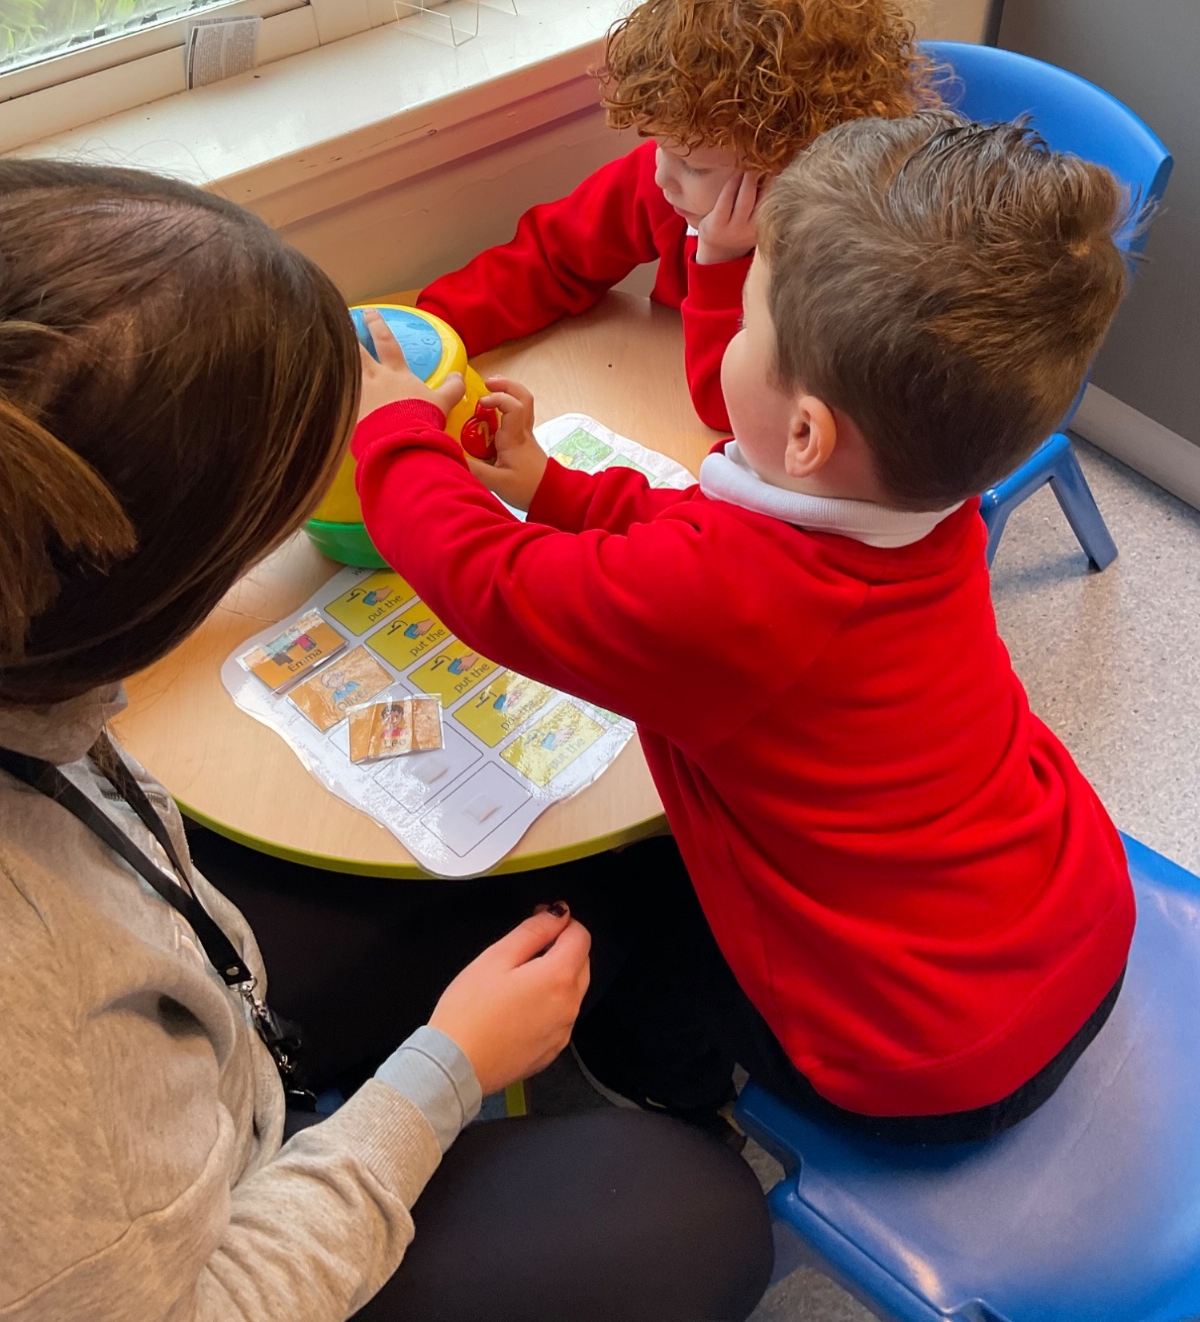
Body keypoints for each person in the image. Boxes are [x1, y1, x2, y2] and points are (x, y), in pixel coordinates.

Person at [0, 160, 774, 1322]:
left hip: (195, 1063)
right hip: (208, 1272)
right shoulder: (35, 997)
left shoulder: (38, 667)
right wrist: (442, 1071)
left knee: (571, 878)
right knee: (701, 1213)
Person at [353, 113, 1137, 1144]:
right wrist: (555, 488)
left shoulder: (729, 597)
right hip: (1077, 917)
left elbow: (489, 582)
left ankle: (672, 1085)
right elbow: (716, 527)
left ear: (807, 431)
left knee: (639, 957)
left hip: (931, 1059)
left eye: (744, 323)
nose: (720, 327)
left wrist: (394, 435)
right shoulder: (926, 504)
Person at [417, 0, 937, 430]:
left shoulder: (851, 256)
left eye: (694, 165)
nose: (662, 175)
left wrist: (720, 258)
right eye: (660, 146)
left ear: (793, 166)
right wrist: (433, 329)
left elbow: (734, 412)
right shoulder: (673, 181)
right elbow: (554, 256)